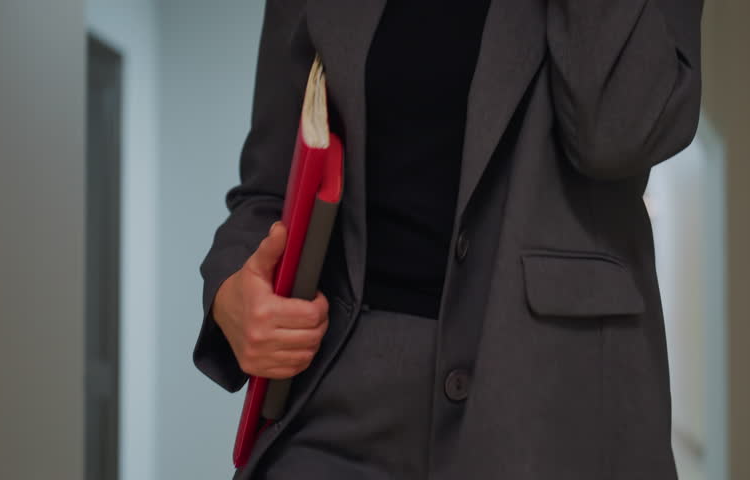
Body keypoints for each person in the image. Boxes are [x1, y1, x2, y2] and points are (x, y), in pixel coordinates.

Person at [194, 0, 704, 478]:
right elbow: (268, 189)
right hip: (337, 398)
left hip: (554, 402)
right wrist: (231, 294)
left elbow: (620, 132)